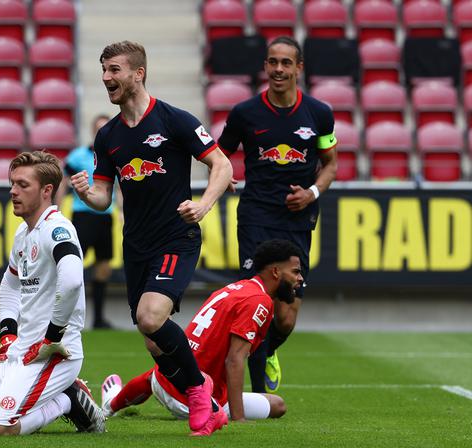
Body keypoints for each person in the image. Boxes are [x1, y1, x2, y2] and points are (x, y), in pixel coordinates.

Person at [71, 41, 233, 436]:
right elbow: (102, 198)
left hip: (177, 238)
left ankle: (197, 391)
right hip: (137, 245)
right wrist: (84, 191)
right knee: (153, 341)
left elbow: (222, 164)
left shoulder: (173, 120)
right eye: (103, 70)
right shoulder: (108, 136)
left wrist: (204, 204)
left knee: (149, 317)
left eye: (114, 70)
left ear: (137, 74)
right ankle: (210, 404)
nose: (106, 77)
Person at [0, 152, 106, 436]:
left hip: (57, 353)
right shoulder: (24, 233)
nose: (13, 191)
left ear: (47, 191)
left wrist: (53, 336)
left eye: (23, 185)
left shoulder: (58, 229)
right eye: (12, 183)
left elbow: (72, 281)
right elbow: (9, 285)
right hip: (23, 349)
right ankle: (65, 396)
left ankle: (67, 400)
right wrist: (7, 334)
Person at [217, 36, 338, 394]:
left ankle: (267, 351)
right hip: (255, 216)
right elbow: (219, 155)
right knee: (257, 301)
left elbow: (330, 165)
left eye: (286, 63)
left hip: (297, 221)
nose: (279, 69)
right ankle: (257, 396)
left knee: (285, 316)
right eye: (273, 62)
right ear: (265, 67)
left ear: (299, 68)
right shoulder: (244, 113)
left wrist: (312, 192)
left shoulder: (319, 113)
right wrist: (223, 178)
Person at [100, 239, 301, 426]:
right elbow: (234, 361)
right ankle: (115, 402)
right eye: (295, 272)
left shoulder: (237, 288)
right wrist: (239, 419)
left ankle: (112, 404)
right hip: (198, 400)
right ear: (275, 272)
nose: (300, 279)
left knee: (166, 370)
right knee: (278, 405)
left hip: (166, 379)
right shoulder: (260, 300)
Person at [62, 113, 116, 329]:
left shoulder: (114, 156)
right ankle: (64, 318)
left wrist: (121, 209)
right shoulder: (77, 156)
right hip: (82, 215)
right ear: (94, 131)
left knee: (103, 267)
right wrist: (56, 210)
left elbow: (119, 187)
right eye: (99, 128)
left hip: (105, 216)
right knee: (72, 266)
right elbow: (64, 183)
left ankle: (98, 319)